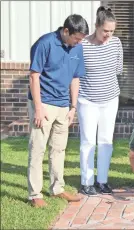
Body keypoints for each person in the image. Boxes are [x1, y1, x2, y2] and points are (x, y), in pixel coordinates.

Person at [27, 14, 89, 207]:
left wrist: (73, 107)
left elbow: (75, 78)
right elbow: (33, 76)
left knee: (59, 149)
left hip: (64, 106)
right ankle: (35, 194)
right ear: (65, 31)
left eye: (81, 39)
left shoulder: (77, 48)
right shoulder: (44, 43)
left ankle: (57, 189)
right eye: (76, 38)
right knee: (37, 149)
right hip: (43, 103)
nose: (79, 42)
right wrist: (38, 108)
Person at [78, 6, 123, 196]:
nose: (108, 35)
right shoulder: (82, 45)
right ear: (96, 26)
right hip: (87, 100)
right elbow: (76, 73)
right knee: (88, 140)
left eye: (112, 31)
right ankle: (86, 182)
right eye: (105, 31)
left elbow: (118, 68)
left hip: (110, 99)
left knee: (106, 141)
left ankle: (102, 181)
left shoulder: (116, 43)